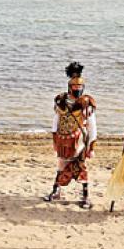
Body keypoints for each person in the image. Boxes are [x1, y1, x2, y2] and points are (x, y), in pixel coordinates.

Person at [43, 62, 97, 209]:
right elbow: (56, 121)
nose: (77, 89)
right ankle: (56, 191)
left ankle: (85, 196)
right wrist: (54, 139)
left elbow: (92, 125)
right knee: (61, 164)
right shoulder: (61, 101)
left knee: (81, 166)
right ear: (70, 86)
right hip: (62, 139)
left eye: (80, 87)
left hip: (79, 139)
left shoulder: (86, 103)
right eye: (75, 86)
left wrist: (91, 145)